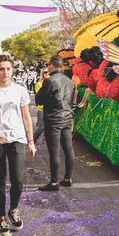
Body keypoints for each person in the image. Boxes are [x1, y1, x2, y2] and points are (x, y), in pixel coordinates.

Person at [0, 54, 36, 234]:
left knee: (18, 180)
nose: (5, 72)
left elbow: (26, 117)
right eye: (2, 69)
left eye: (8, 69)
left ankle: (14, 210)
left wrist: (31, 141)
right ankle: (1, 217)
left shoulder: (20, 90)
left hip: (17, 138)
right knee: (0, 181)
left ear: (12, 70)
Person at [35, 56, 76, 191]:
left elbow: (39, 100)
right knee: (68, 149)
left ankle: (54, 183)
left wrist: (42, 80)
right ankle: (68, 178)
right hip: (67, 118)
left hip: (53, 119)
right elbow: (72, 102)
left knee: (54, 152)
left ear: (51, 66)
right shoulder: (70, 82)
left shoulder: (49, 81)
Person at [33, 68, 50, 143]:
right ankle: (32, 141)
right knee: (41, 127)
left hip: (50, 109)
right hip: (42, 109)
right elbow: (41, 96)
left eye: (49, 72)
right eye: (45, 72)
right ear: (42, 74)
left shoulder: (51, 82)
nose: (47, 74)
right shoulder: (39, 84)